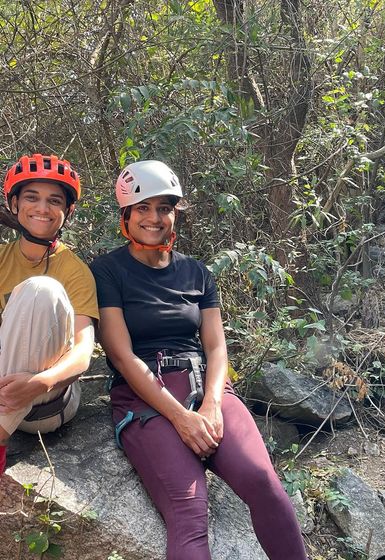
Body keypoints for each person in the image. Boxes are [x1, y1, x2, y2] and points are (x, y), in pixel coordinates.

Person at [90, 160, 308, 560]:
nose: (155, 218)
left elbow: (216, 347)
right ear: (126, 215)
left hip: (205, 384)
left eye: (165, 208)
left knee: (262, 480)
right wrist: (181, 417)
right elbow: (120, 355)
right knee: (189, 511)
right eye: (144, 208)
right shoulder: (107, 271)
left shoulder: (196, 273)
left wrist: (210, 404)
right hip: (145, 399)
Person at [0, 153, 99, 476]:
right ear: (14, 204)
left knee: (42, 290)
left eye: (54, 201)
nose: (42, 208)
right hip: (6, 384)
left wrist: (39, 383)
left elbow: (83, 354)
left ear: (66, 211)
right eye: (32, 197)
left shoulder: (74, 270)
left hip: (49, 399)